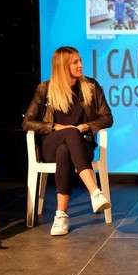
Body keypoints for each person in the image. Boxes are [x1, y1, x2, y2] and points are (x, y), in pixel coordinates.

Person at [22, 46, 114, 236]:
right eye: (75, 62)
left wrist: (86, 126)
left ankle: (61, 215)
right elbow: (27, 122)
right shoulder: (45, 89)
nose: (80, 65)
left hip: (82, 146)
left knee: (65, 149)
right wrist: (55, 127)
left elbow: (107, 118)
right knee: (69, 133)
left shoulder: (91, 86)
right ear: (63, 66)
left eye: (80, 61)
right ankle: (95, 192)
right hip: (49, 145)